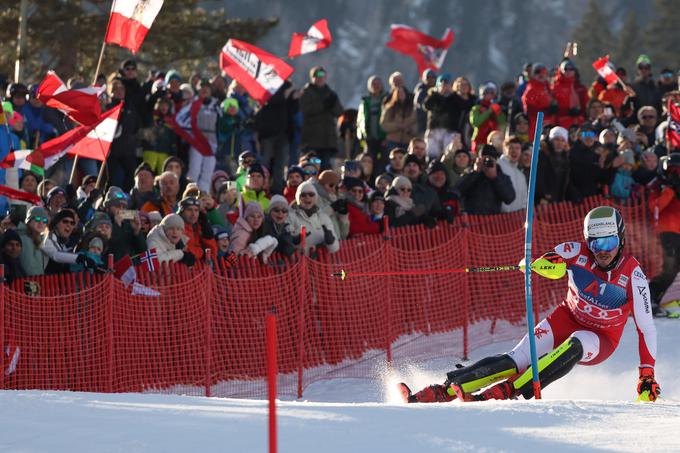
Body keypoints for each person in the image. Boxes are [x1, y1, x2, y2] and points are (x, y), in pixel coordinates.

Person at [399, 206, 659, 403]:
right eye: (595, 243)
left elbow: (646, 329)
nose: (602, 251)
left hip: (600, 338)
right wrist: (533, 265)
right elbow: (547, 260)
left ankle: (504, 392)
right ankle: (440, 391)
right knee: (518, 358)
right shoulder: (574, 251)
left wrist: (646, 373)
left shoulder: (633, 277)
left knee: (577, 341)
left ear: (621, 239)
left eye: (609, 242)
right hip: (565, 318)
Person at [647, 153, 680, 316]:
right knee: (669, 269)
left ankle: (654, 299)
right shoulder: (658, 185)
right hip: (668, 231)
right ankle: (648, 299)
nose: (676, 173)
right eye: (673, 169)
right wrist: (669, 191)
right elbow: (655, 207)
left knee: (674, 270)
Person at [299, 66, 343, 169]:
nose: (320, 78)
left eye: (323, 75)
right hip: (312, 138)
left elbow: (339, 112)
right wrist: (323, 105)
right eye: (317, 76)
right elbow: (305, 109)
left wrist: (333, 104)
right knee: (312, 166)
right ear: (312, 77)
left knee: (325, 166)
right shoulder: (306, 92)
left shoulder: (331, 93)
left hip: (328, 139)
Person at [454, 145, 516, 215]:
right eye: (484, 159)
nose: (487, 162)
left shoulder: (501, 177)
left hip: (491, 221)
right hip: (472, 219)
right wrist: (475, 172)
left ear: (496, 161)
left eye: (490, 160)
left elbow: (509, 198)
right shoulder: (470, 173)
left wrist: (495, 178)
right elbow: (457, 190)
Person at [287, 180, 339, 255]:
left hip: (323, 261)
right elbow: (287, 244)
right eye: (303, 195)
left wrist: (330, 241)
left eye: (311, 194)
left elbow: (335, 248)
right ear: (298, 198)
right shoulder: (290, 216)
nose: (307, 197)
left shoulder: (323, 217)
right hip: (300, 263)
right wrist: (296, 242)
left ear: (316, 197)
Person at [496, 136, 528, 213]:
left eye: (517, 148)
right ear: (504, 149)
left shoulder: (521, 175)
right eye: (511, 148)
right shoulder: (498, 166)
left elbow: (524, 200)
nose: (514, 151)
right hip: (498, 217)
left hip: (515, 220)